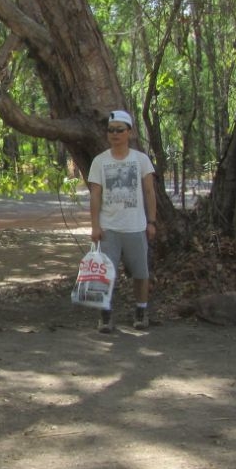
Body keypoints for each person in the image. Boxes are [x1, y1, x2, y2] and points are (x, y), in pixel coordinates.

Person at [88, 110, 157, 333]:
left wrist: (151, 221)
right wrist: (95, 225)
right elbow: (96, 194)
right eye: (111, 130)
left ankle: (141, 310)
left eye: (119, 130)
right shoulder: (100, 161)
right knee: (106, 272)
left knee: (141, 272)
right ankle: (105, 315)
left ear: (129, 132)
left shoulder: (141, 160)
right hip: (109, 228)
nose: (115, 134)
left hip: (135, 226)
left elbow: (149, 192)